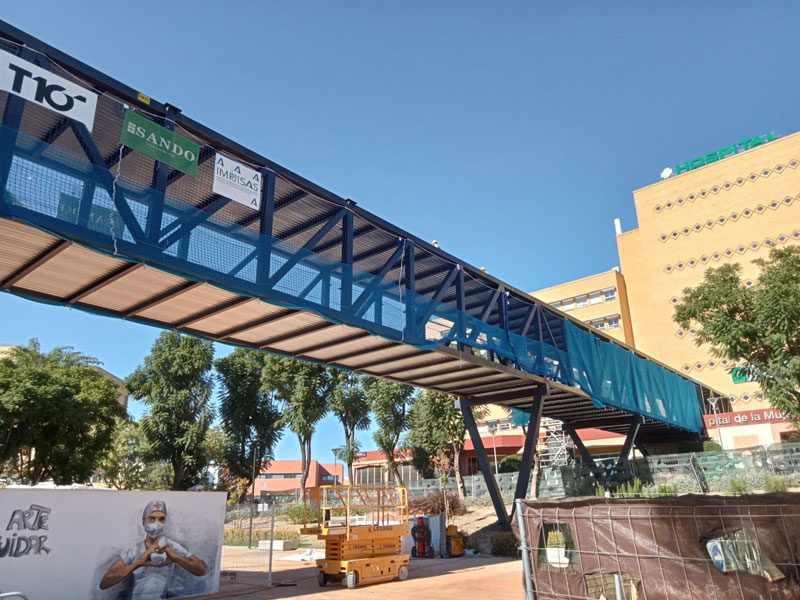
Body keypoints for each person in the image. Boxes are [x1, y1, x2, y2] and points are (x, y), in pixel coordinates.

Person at [99, 500, 207, 599]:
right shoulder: (135, 548)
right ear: (144, 521)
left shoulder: (169, 545)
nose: (157, 523)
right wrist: (138, 563)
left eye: (161, 519)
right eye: (152, 518)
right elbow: (104, 583)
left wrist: (175, 557)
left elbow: (201, 570)